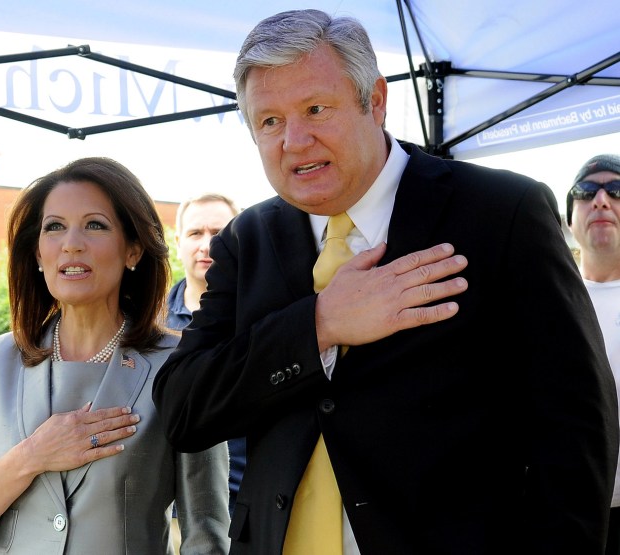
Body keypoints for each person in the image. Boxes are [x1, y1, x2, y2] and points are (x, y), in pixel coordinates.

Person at [152, 9, 619, 555]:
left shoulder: (501, 212)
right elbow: (183, 410)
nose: (294, 140)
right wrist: (318, 325)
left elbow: (577, 426)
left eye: (315, 109)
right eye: (270, 121)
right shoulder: (247, 240)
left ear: (375, 99)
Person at [0, 157, 230, 554]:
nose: (71, 243)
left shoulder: (178, 365)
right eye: (54, 227)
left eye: (95, 225)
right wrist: (34, 454)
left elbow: (206, 533)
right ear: (37, 254)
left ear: (133, 250)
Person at [167, 192, 245, 517]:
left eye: (219, 233)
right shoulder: (145, 327)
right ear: (178, 241)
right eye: (195, 233)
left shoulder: (265, 317)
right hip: (171, 514)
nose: (207, 244)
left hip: (251, 509)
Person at [566, 153, 620, 555]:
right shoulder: (542, 300)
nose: (601, 200)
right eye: (586, 192)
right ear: (570, 220)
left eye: (616, 190)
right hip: (570, 520)